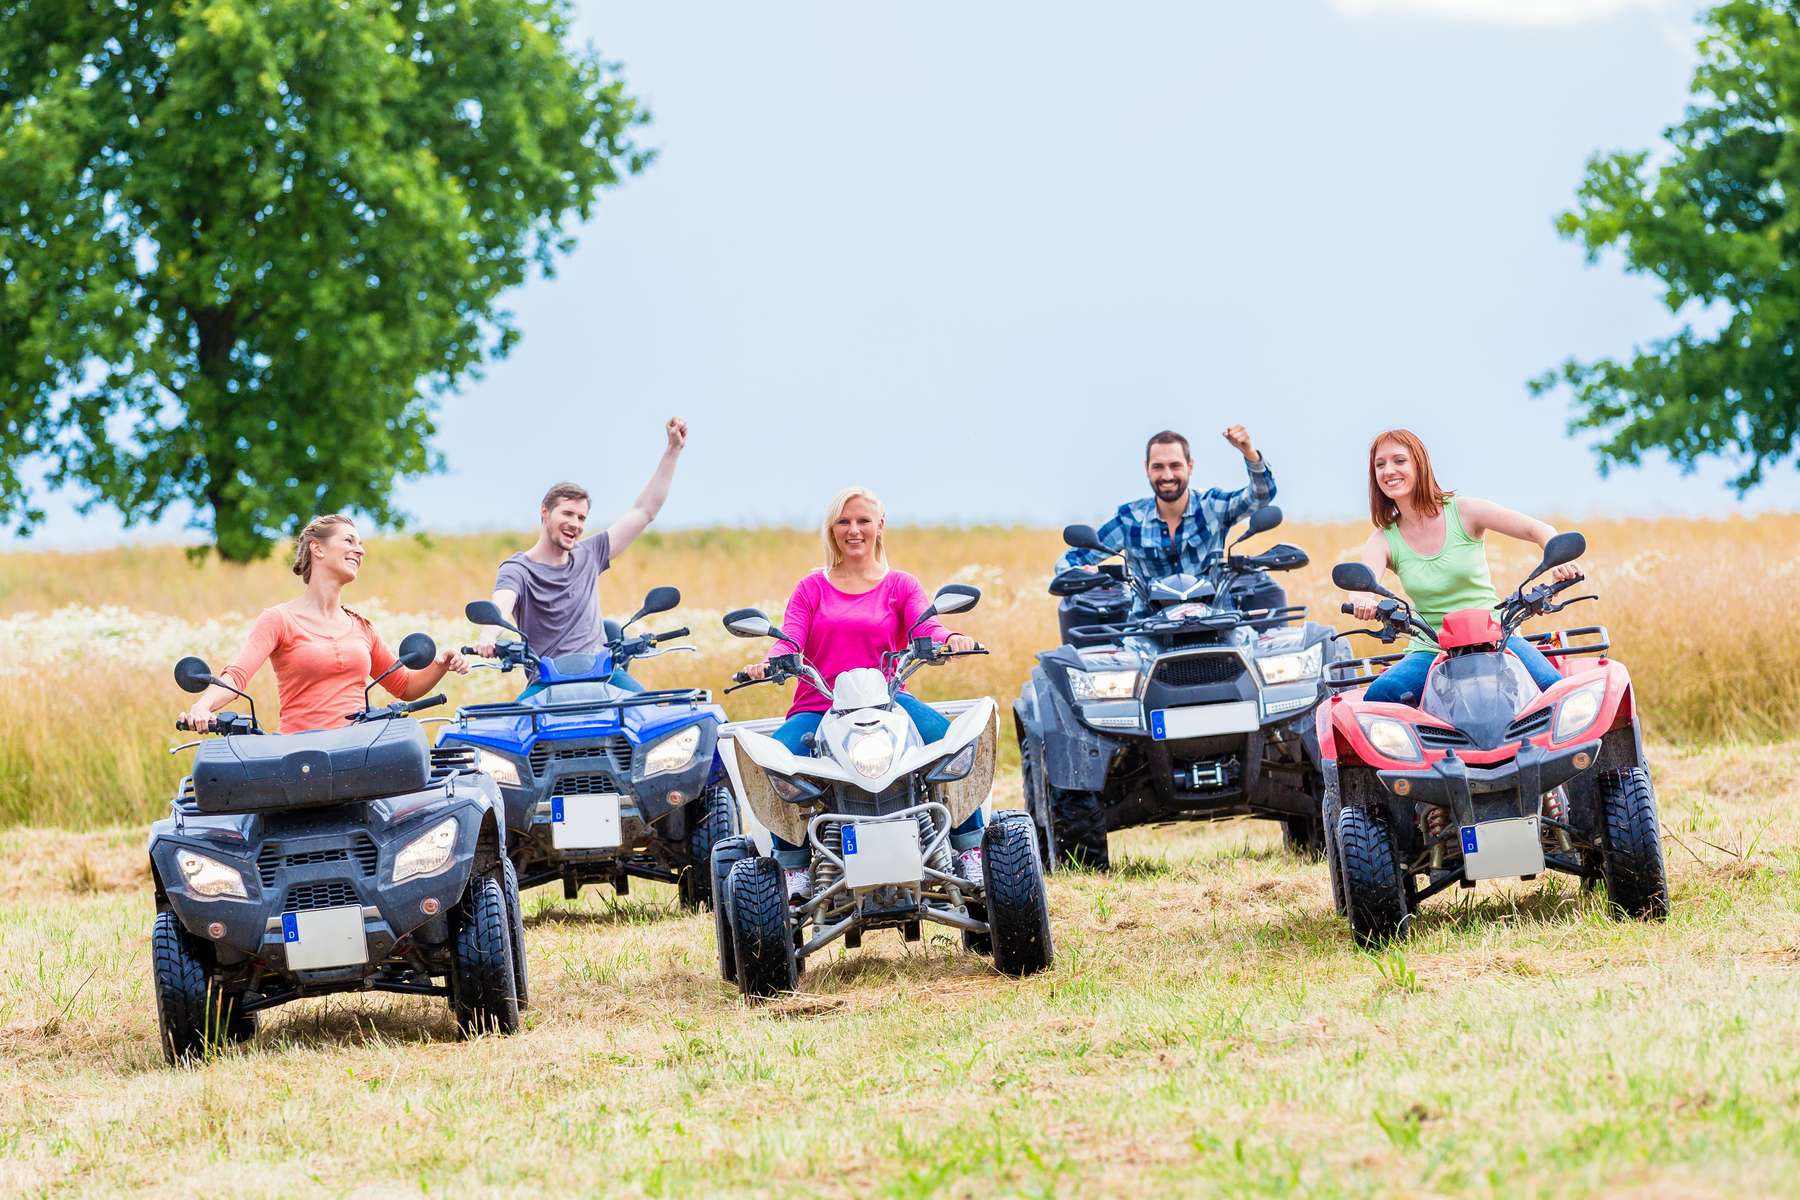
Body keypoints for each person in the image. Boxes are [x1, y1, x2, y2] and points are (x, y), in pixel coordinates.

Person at [739, 486, 981, 901]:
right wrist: (769, 661)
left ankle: (970, 847)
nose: (854, 530)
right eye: (844, 521)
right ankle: (793, 865)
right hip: (819, 706)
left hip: (889, 702)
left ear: (880, 527)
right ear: (831, 529)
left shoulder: (901, 585)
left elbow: (927, 628)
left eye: (863, 521)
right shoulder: (811, 588)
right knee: (776, 762)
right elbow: (788, 640)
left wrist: (951, 638)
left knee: (952, 743)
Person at [1344, 428, 1581, 707]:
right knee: (1380, 697)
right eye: (1380, 465)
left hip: (1495, 636)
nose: (1388, 471)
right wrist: (1362, 599)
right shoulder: (1385, 538)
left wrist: (1559, 557)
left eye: (1399, 460)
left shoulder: (1464, 511)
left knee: (1554, 693)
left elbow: (1537, 529)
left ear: (1419, 464)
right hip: (1431, 648)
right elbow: (1363, 582)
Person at [180, 514, 469, 735]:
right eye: (349, 541)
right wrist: (203, 706)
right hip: (300, 755)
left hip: (361, 751)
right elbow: (237, 676)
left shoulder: (361, 627)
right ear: (317, 549)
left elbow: (403, 685)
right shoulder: (279, 619)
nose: (360, 551)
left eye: (361, 544)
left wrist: (440, 664)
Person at [474, 417, 688, 692]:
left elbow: (644, 511)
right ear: (545, 512)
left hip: (604, 676)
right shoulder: (518, 569)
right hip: (546, 682)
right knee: (513, 731)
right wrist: (488, 635)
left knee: (653, 717)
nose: (575, 524)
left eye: (581, 517)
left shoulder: (590, 553)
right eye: (567, 514)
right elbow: (501, 605)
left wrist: (673, 450)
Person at [1059, 425, 1281, 611]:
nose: (1167, 476)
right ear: (1147, 469)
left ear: (1190, 466)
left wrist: (1249, 453)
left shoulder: (1212, 507)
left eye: (1175, 466)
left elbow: (1261, 496)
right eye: (1158, 467)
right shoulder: (1129, 519)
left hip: (1217, 621)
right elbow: (1068, 562)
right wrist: (1081, 573)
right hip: (1146, 630)